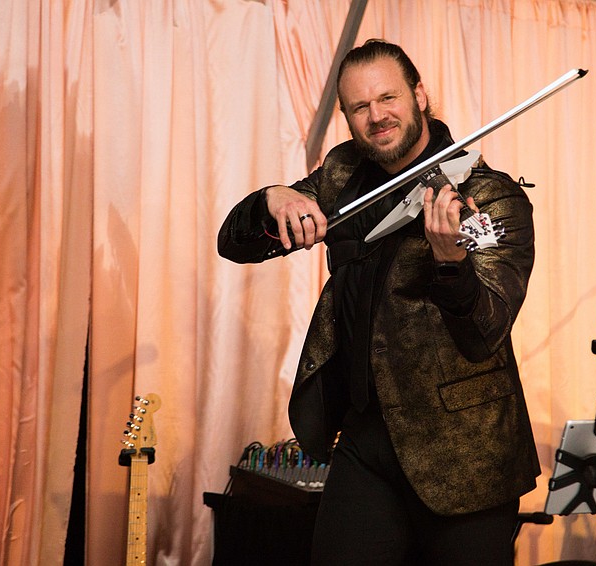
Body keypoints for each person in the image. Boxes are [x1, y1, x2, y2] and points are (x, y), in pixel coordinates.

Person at [217, 39, 539, 565]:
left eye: (388, 98)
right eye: (359, 107)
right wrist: (274, 197)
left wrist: (451, 266)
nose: (377, 117)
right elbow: (236, 244)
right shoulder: (342, 174)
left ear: (419, 95)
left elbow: (485, 332)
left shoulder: (491, 197)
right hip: (366, 441)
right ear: (345, 115)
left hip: (465, 453)